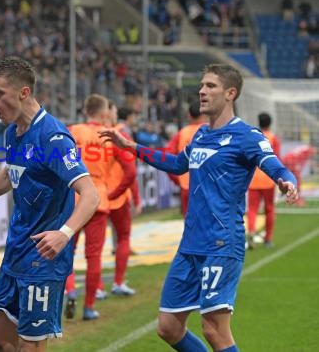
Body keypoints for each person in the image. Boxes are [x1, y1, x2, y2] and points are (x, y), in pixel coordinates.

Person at [99, 64, 299, 351]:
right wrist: (131, 147)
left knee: (214, 330)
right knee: (168, 327)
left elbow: (276, 166)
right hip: (190, 243)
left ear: (230, 93)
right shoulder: (201, 135)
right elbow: (177, 163)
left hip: (221, 242)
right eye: (202, 85)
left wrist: (286, 182)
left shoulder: (247, 135)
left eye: (210, 86)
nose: (202, 91)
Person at [0, 56, 99, 351]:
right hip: (16, 251)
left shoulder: (53, 137)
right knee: (3, 345)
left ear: (23, 92)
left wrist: (64, 234)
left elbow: (90, 194)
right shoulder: (12, 132)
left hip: (42, 259)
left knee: (30, 347)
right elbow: (10, 175)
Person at [64, 94, 136, 320]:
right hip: (98, 199)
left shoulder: (71, 131)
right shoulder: (111, 136)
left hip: (72, 197)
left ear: (85, 111)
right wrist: (114, 192)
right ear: (105, 113)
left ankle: (70, 289)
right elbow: (131, 171)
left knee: (66, 251)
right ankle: (88, 307)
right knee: (93, 256)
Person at [95, 100, 141, 300]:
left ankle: (96, 287)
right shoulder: (120, 134)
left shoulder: (88, 134)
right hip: (118, 194)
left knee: (94, 245)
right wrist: (135, 197)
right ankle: (118, 282)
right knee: (123, 237)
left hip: (96, 195)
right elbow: (131, 169)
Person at [246, 112, 281, 249]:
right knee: (270, 209)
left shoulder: (253, 137)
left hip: (253, 180)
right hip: (268, 180)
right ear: (270, 123)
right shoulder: (273, 138)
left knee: (252, 209)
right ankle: (268, 239)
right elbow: (276, 159)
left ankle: (251, 234)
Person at [166, 100, 206, 216]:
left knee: (189, 223)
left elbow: (167, 158)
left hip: (186, 184)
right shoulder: (211, 130)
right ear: (204, 114)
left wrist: (176, 179)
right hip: (207, 184)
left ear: (188, 115)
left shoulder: (181, 134)